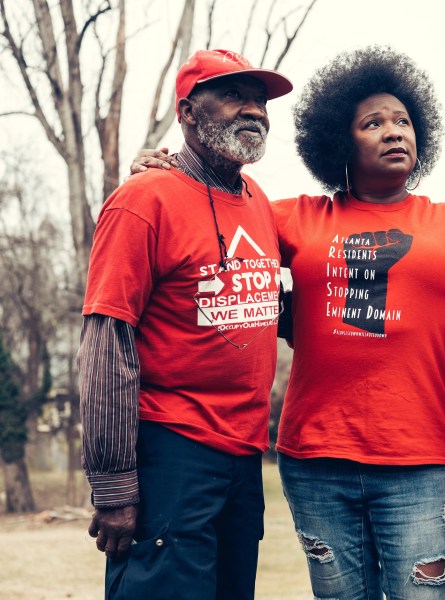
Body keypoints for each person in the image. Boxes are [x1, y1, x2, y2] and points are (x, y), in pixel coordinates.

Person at [131, 48, 445, 599]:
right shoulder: (287, 217)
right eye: (373, 123)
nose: (394, 132)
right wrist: (167, 171)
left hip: (421, 462)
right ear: (340, 141)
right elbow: (216, 211)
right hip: (316, 460)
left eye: (403, 121)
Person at [78, 49, 292, 599]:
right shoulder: (143, 200)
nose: (255, 109)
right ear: (188, 112)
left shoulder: (259, 202)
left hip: (244, 456)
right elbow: (106, 344)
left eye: (260, 100)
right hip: (170, 451)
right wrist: (114, 485)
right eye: (234, 95)